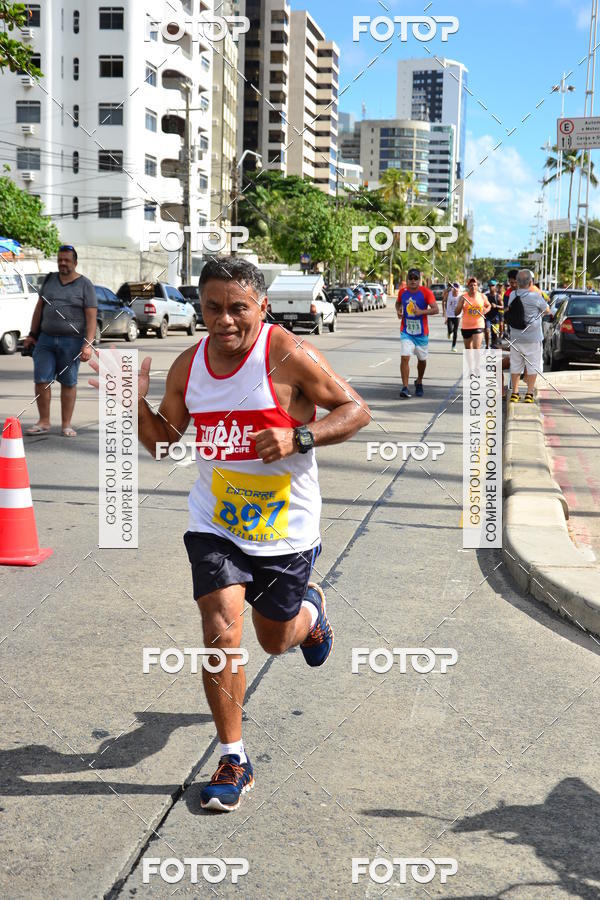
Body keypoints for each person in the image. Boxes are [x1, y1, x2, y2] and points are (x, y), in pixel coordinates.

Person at [91, 257, 370, 812]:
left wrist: (300, 438)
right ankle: (234, 758)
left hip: (285, 529)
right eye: (212, 307)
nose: (224, 320)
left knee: (274, 640)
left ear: (262, 306)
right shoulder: (189, 365)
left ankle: (310, 615)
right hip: (215, 524)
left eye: (238, 308)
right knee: (220, 629)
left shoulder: (287, 353)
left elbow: (355, 409)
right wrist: (132, 404)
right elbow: (163, 442)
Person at [23, 245, 96, 437]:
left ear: (75, 263)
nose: (62, 263)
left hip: (72, 342)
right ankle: (44, 422)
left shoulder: (85, 285)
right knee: (41, 380)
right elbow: (39, 309)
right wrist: (32, 334)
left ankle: (66, 425)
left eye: (66, 260)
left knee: (69, 382)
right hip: (45, 340)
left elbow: (91, 318)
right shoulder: (49, 280)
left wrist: (88, 344)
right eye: (60, 260)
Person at [506, 269, 550, 403]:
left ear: (517, 282)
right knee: (533, 365)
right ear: (531, 282)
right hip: (533, 338)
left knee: (515, 364)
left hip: (516, 337)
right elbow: (547, 310)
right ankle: (529, 394)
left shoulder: (512, 295)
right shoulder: (535, 296)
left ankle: (515, 393)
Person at [396, 268, 439, 398]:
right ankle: (405, 387)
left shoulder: (426, 292)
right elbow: (398, 303)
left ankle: (419, 381)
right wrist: (399, 311)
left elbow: (436, 309)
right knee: (405, 357)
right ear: (407, 279)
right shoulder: (402, 292)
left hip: (421, 333)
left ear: (419, 280)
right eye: (411, 278)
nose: (413, 281)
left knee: (422, 360)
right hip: (406, 331)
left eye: (416, 278)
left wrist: (421, 312)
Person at [455, 277, 491, 349]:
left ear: (477, 286)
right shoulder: (463, 297)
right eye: (471, 285)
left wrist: (485, 311)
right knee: (468, 350)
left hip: (478, 325)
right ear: (468, 287)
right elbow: (456, 313)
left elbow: (489, 305)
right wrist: (461, 304)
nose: (473, 287)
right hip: (466, 326)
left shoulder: (482, 296)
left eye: (475, 285)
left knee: (476, 348)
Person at [444, 281, 462, 352]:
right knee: (450, 329)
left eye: (457, 287)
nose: (455, 288)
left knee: (455, 331)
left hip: (457, 315)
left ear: (459, 288)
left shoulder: (461, 295)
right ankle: (449, 332)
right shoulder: (449, 293)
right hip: (450, 314)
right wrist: (444, 312)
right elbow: (444, 299)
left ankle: (453, 346)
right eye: (454, 286)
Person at [484, 280, 502, 349]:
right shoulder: (486, 296)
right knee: (487, 331)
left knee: (494, 334)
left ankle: (493, 345)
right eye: (490, 286)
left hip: (495, 318)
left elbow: (503, 307)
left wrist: (496, 306)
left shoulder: (498, 296)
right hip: (488, 317)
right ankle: (487, 346)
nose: (491, 287)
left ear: (495, 287)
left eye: (492, 286)